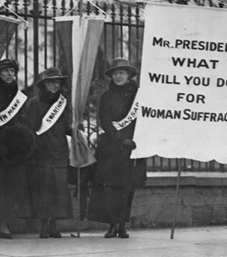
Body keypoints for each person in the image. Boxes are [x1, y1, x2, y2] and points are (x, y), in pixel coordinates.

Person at [87, 58, 146, 239]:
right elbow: (104, 120)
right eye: (115, 73)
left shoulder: (139, 96)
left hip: (132, 148)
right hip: (111, 147)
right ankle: (112, 225)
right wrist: (120, 139)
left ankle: (122, 225)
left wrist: (133, 139)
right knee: (110, 189)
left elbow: (143, 120)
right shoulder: (106, 95)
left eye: (122, 73)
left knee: (127, 189)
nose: (118, 76)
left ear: (129, 75)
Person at [0, 59, 34, 239]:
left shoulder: (19, 93)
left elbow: (23, 117)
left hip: (13, 146)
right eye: (6, 71)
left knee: (10, 187)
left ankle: (4, 223)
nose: (10, 74)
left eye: (12, 71)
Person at [26, 67, 73, 238]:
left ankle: (54, 224)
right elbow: (30, 129)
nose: (55, 85)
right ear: (44, 84)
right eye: (51, 81)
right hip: (42, 151)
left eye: (58, 82)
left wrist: (75, 131)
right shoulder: (33, 103)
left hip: (59, 150)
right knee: (43, 191)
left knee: (58, 190)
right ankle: (44, 225)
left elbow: (66, 126)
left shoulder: (63, 103)